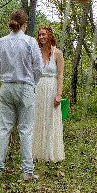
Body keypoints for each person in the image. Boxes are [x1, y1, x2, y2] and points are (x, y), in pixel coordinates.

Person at [0, 9, 43, 180]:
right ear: (24, 25)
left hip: (6, 86)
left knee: (4, 129)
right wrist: (32, 83)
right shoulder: (30, 42)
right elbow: (39, 68)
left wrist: (6, 79)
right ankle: (27, 171)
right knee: (25, 130)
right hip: (25, 87)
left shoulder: (1, 42)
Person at [32, 26, 65, 162]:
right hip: (38, 88)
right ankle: (37, 152)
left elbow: (61, 75)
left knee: (51, 119)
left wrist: (58, 94)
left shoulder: (58, 53)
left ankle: (51, 153)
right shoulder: (36, 52)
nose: (41, 37)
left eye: (44, 34)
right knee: (37, 118)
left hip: (52, 87)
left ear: (49, 35)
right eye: (39, 35)